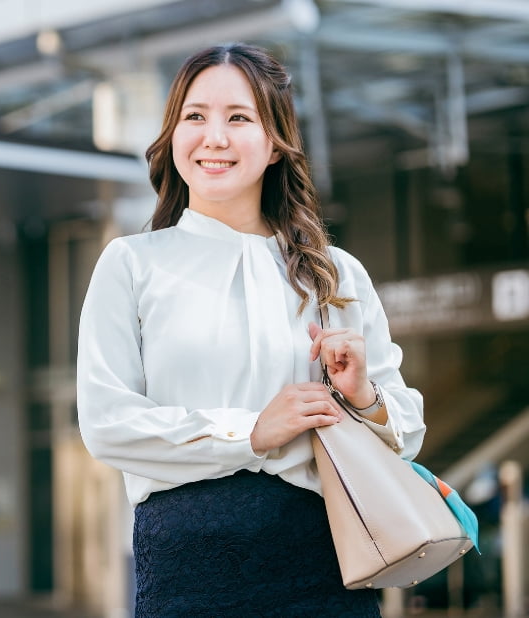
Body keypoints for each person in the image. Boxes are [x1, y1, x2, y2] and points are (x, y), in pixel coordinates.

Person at [76, 43, 426, 617]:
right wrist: (251, 432)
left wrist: (365, 396)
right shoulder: (131, 264)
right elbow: (107, 425)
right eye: (195, 117)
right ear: (173, 136)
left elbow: (407, 435)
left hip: (324, 566)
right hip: (188, 569)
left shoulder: (334, 274)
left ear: (274, 144)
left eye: (238, 118)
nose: (214, 137)